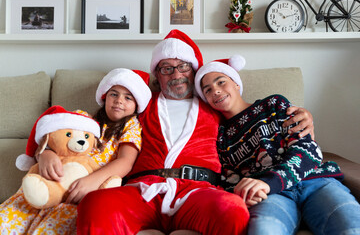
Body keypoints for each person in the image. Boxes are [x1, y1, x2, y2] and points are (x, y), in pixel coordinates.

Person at [77, 30, 315, 235]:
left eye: (183, 67)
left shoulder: (214, 104)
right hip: (144, 188)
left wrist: (301, 117)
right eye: (167, 68)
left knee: (232, 211)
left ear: (194, 71)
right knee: (95, 205)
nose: (177, 74)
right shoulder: (140, 103)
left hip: (198, 191)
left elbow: (250, 117)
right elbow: (89, 124)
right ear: (157, 76)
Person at [194, 55, 360, 235]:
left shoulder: (273, 105)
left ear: (236, 83)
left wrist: (270, 182)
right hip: (272, 196)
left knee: (351, 227)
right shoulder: (219, 137)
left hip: (314, 182)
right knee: (263, 230)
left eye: (221, 82)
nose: (216, 91)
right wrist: (243, 192)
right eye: (207, 90)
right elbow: (228, 180)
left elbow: (308, 150)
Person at [0, 68, 152, 235]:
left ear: (137, 105)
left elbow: (125, 161)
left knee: (55, 225)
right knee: (10, 218)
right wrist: (45, 155)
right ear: (105, 97)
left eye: (128, 97)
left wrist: (92, 181)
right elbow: (51, 140)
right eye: (113, 94)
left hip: (83, 191)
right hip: (51, 180)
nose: (119, 101)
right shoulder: (82, 119)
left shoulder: (131, 127)